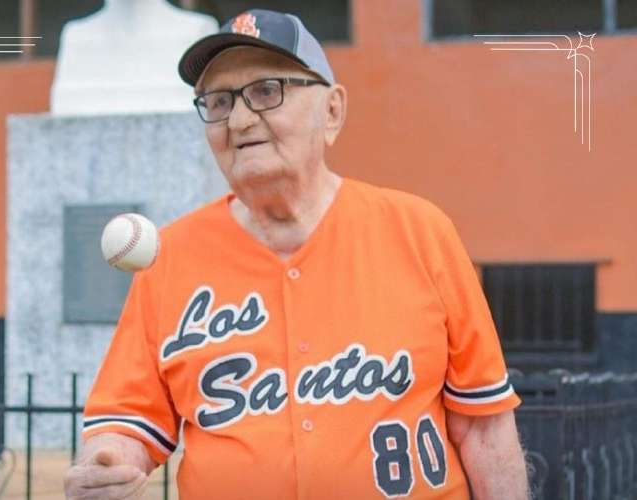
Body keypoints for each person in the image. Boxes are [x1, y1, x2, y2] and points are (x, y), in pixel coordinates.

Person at [64, 9, 528, 500]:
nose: (240, 120)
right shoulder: (172, 256)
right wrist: (106, 463)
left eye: (267, 91)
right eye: (219, 101)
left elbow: (482, 427)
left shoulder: (420, 231)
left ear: (331, 111)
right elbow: (127, 420)